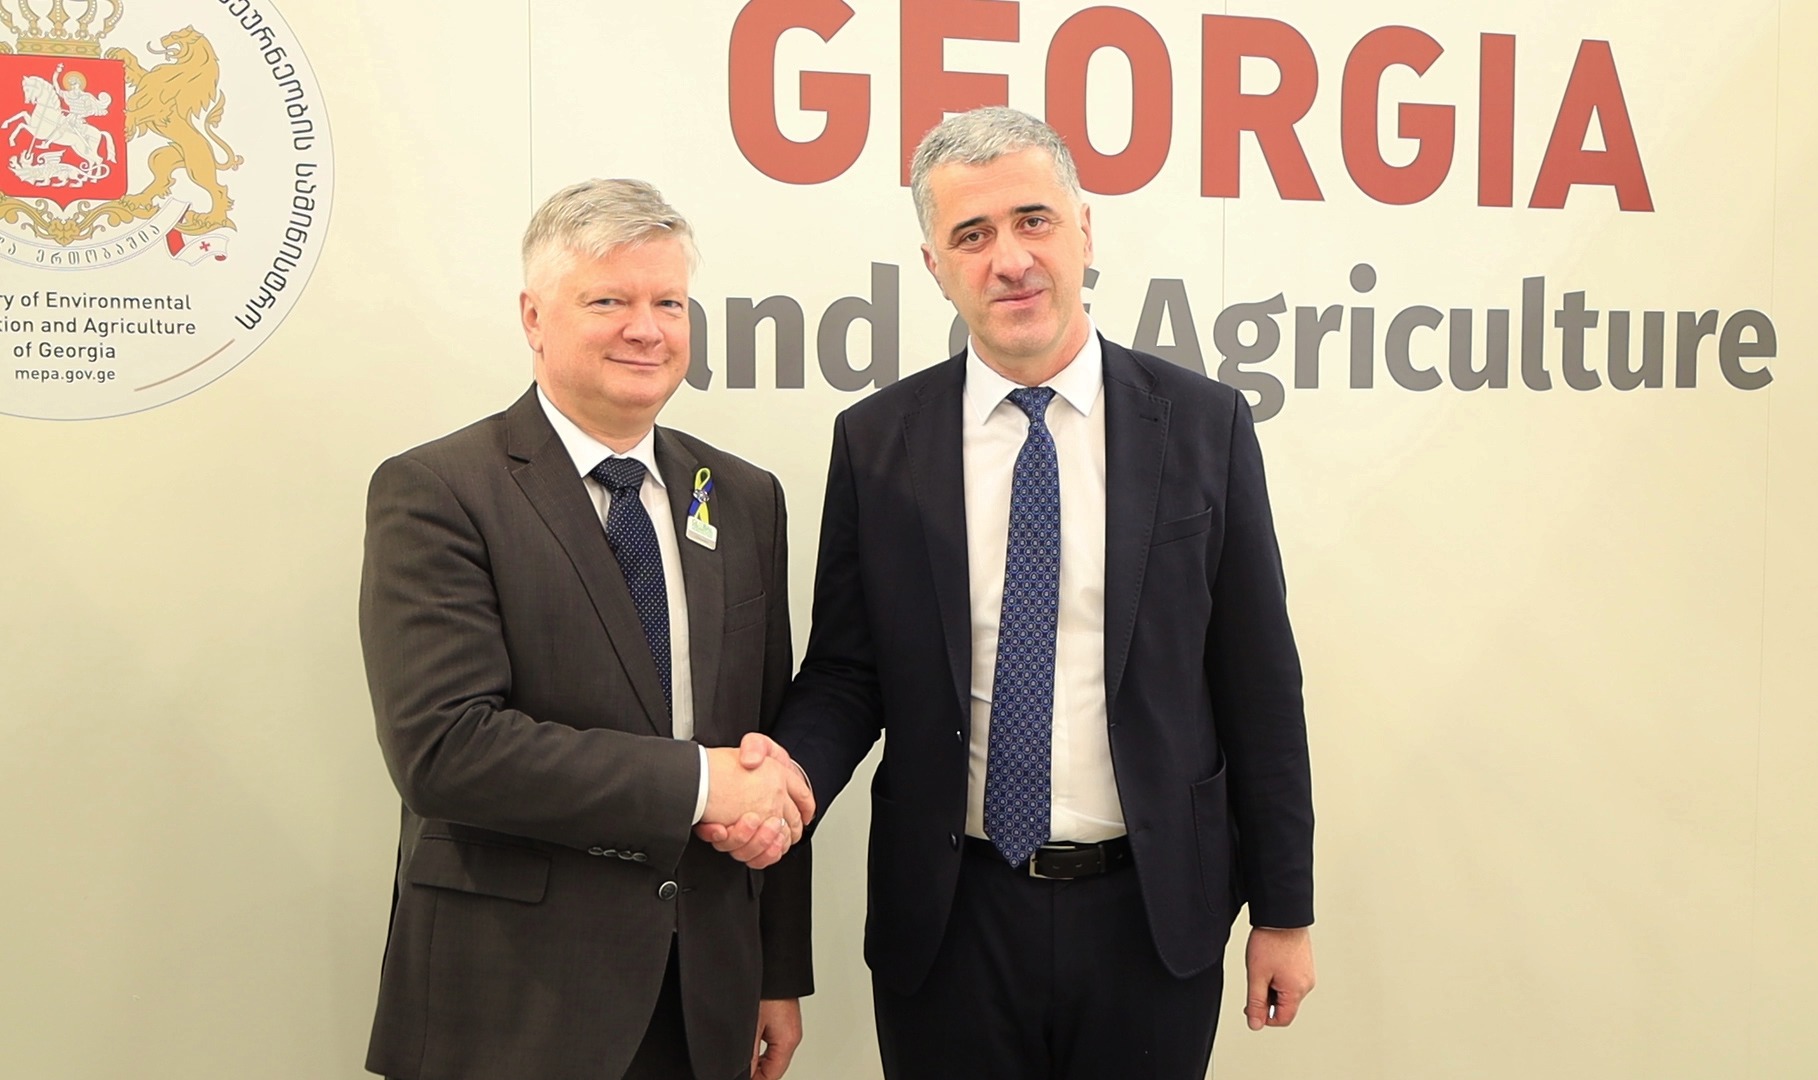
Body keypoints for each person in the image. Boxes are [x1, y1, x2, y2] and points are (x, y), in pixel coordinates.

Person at [704, 107, 1316, 1078]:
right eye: (972, 235)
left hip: (1152, 913)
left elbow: (1259, 683)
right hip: (952, 917)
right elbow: (849, 672)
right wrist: (786, 777)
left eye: (1034, 220)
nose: (1010, 260)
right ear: (935, 264)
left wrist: (1284, 910)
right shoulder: (879, 441)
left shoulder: (1203, 425)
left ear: (1084, 231)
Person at [360, 179, 813, 1080]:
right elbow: (444, 749)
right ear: (534, 318)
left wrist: (775, 970)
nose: (646, 329)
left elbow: (765, 747)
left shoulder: (743, 496)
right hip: (513, 1002)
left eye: (668, 303)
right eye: (608, 301)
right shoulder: (438, 490)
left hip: (704, 994)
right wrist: (698, 784)